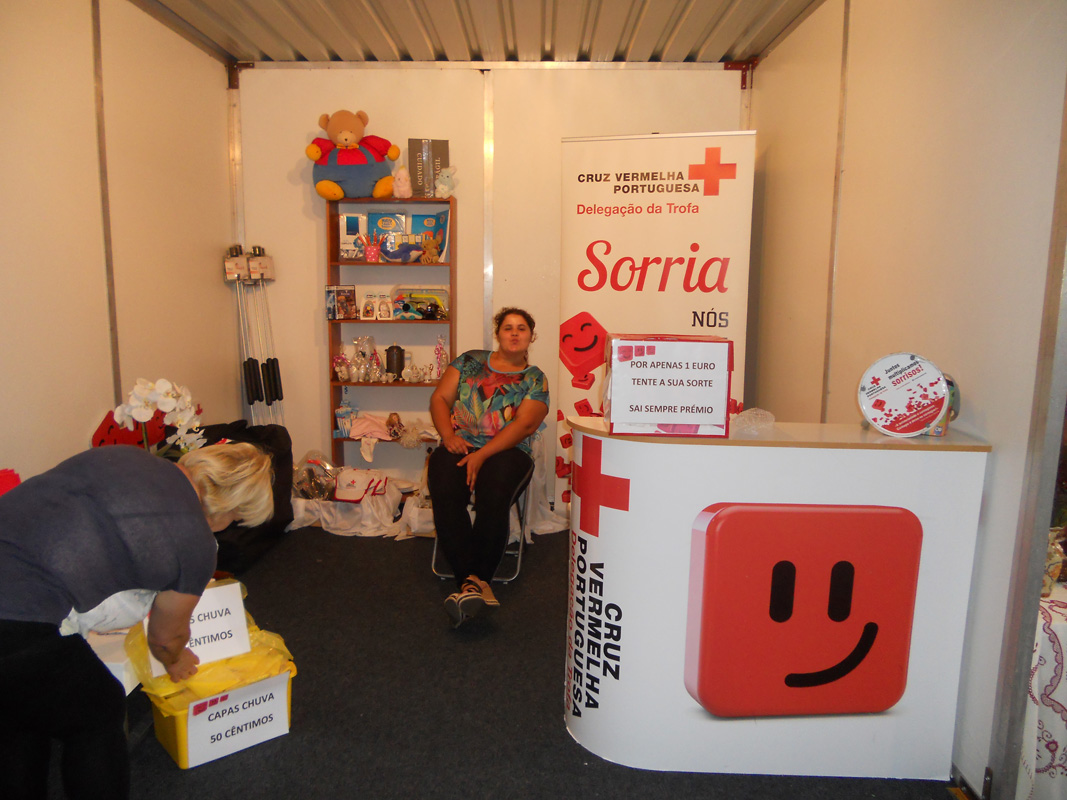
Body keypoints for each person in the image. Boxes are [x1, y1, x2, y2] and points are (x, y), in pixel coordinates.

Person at [0, 441, 274, 800]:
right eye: (236, 519)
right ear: (230, 506)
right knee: (97, 712)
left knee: (20, 709)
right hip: (15, 616)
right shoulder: (197, 543)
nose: (227, 527)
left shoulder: (124, 455)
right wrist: (176, 660)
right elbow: (165, 638)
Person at [428, 307, 550, 627]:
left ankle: (473, 580)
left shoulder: (534, 378)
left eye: (521, 328)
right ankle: (473, 584)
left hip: (509, 451)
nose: (514, 333)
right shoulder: (469, 361)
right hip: (460, 442)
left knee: (493, 494)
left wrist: (482, 455)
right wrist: (448, 436)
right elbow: (440, 399)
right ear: (498, 334)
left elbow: (524, 425)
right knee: (444, 486)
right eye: (508, 327)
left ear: (531, 336)